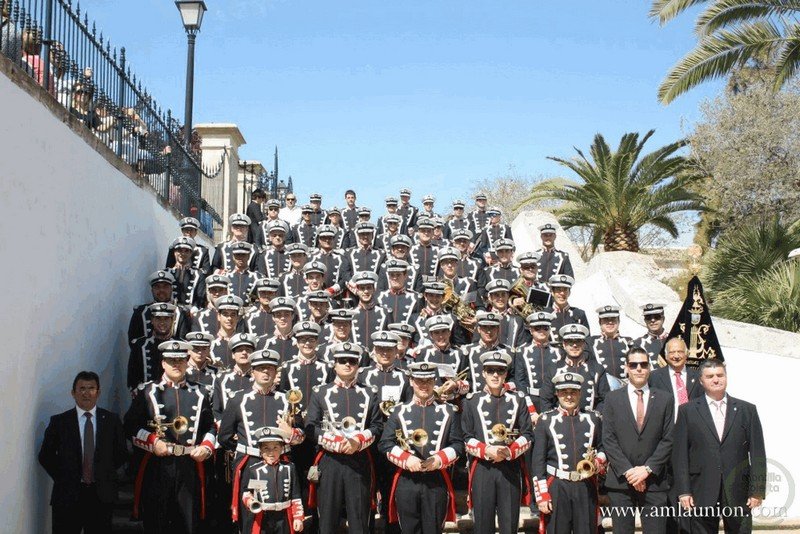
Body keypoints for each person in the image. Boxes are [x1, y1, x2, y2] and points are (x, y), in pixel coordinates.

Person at [123, 341, 216, 533]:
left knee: (189, 523)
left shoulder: (201, 392)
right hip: (158, 464)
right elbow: (130, 425)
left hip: (190, 464)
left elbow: (210, 426)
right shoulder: (147, 391)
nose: (176, 364)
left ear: (187, 362)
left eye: (180, 360)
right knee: (157, 521)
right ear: (163, 363)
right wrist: (152, 442)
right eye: (171, 360)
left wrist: (206, 447)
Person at [672, 359, 766, 534]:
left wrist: (757, 490)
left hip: (738, 490)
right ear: (701, 381)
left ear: (726, 377)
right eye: (710, 376)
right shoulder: (687, 411)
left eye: (720, 375)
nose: (716, 380)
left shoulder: (747, 410)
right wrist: (684, 491)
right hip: (701, 489)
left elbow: (758, 452)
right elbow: (680, 455)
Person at [218, 349, 304, 531]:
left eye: (270, 368)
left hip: (281, 463)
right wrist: (246, 449)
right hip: (251, 463)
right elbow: (224, 436)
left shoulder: (288, 400)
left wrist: (290, 433)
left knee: (281, 515)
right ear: (252, 372)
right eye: (261, 368)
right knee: (253, 513)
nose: (265, 372)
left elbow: (302, 435)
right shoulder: (238, 399)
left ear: (275, 372)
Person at [305, 342, 383, 534]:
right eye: (342, 360)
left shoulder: (369, 393)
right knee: (327, 519)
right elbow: (311, 427)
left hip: (359, 460)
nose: (347, 364)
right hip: (330, 460)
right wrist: (335, 443)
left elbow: (377, 426)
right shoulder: (320, 392)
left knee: (359, 519)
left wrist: (358, 441)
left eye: (352, 361)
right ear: (334, 364)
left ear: (358, 365)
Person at [378, 361, 464, 533]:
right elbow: (385, 444)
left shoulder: (449, 411)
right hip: (407, 480)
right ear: (411, 381)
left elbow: (458, 445)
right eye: (419, 381)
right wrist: (406, 459)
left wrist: (439, 459)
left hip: (436, 480)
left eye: (428, 380)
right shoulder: (398, 411)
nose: (424, 385)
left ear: (434, 381)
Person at [38, 371, 128, 534]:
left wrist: (102, 472)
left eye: (91, 388)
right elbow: (46, 456)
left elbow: (121, 453)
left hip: (101, 496)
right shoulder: (60, 422)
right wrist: (65, 476)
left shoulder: (111, 421)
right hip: (67, 495)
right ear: (73, 393)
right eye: (82, 388)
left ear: (98, 393)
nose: (86, 393)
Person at [602, 348, 674, 534]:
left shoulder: (665, 399)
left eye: (643, 364)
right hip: (620, 482)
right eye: (633, 365)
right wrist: (629, 472)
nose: (639, 368)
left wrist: (646, 470)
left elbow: (668, 439)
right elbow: (608, 439)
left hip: (654, 482)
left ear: (649, 368)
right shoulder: (612, 398)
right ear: (626, 368)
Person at [461, 350, 534, 534]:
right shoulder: (471, 401)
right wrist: (487, 450)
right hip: (483, 468)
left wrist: (509, 452)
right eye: (490, 370)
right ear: (483, 373)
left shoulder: (518, 400)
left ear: (506, 374)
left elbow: (527, 434)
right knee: (482, 526)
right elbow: (466, 438)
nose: (495, 375)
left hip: (509, 467)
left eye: (500, 371)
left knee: (509, 525)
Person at [532, 372, 605, 534]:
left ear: (580, 393)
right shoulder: (546, 421)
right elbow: (538, 462)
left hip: (585, 485)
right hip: (557, 486)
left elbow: (603, 448)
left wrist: (598, 461)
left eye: (573, 392)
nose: (569, 396)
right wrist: (542, 494)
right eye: (564, 392)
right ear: (557, 394)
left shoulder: (593, 419)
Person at [240, 427, 305, 534]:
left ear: (282, 448)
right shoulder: (255, 470)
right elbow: (247, 493)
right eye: (266, 448)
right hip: (263, 517)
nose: (271, 452)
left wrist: (298, 517)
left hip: (284, 517)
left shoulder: (289, 468)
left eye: (275, 447)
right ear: (260, 450)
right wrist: (250, 501)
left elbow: (296, 495)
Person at [540, 324, 609, 412]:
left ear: (584, 344)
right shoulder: (554, 369)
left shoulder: (597, 369)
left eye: (578, 341)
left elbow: (605, 399)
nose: (574, 345)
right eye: (570, 342)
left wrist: (595, 417)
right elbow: (545, 399)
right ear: (564, 344)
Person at [649, 337, 703, 420]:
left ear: (686, 354)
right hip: (666, 425)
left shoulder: (698, 376)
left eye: (680, 352)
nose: (676, 356)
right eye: (672, 352)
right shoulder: (653, 377)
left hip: (693, 424)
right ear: (666, 356)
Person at [589, 305, 634, 380]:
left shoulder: (628, 341)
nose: (610, 322)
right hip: (601, 384)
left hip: (625, 384)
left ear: (618, 321)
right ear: (600, 322)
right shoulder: (591, 342)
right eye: (605, 319)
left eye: (613, 319)